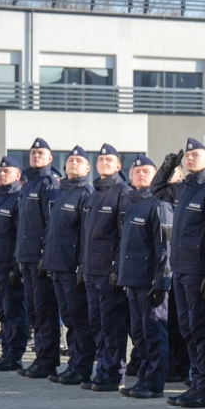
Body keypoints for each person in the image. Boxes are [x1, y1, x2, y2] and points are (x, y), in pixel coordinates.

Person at [155, 138, 205, 408]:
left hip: (199, 274)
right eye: (188, 156)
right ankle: (196, 383)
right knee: (187, 329)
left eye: (197, 155)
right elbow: (158, 190)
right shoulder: (184, 189)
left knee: (202, 329)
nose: (191, 158)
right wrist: (166, 167)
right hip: (181, 271)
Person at [117, 155, 172, 399]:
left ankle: (154, 383)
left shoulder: (158, 204)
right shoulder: (132, 203)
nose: (140, 174)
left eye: (146, 171)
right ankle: (143, 378)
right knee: (139, 334)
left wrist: (161, 282)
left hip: (151, 284)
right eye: (136, 171)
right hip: (133, 281)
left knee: (153, 333)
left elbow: (166, 248)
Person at [80, 143, 131, 391]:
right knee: (96, 323)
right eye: (101, 160)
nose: (104, 164)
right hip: (92, 270)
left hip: (108, 272)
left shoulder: (122, 192)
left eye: (109, 161)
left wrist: (116, 268)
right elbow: (86, 236)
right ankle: (102, 368)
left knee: (112, 325)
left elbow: (123, 236)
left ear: (119, 166)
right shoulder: (93, 194)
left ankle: (113, 373)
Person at [44, 146, 95, 386]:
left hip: (72, 269)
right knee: (68, 318)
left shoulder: (86, 192)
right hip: (57, 266)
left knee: (78, 320)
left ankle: (82, 367)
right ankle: (73, 364)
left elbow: (86, 236)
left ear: (87, 168)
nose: (73, 163)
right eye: (71, 160)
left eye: (79, 161)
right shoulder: (62, 191)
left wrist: (81, 268)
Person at [15, 137, 61, 379]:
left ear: (50, 158)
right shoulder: (28, 184)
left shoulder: (49, 184)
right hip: (26, 258)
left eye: (41, 153)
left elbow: (51, 224)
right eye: (33, 153)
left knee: (44, 311)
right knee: (34, 311)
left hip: (40, 261)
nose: (36, 156)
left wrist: (45, 255)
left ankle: (47, 361)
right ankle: (42, 357)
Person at [0, 157, 27, 372]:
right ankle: (6, 351)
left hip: (9, 268)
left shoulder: (19, 199)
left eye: (7, 171)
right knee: (3, 313)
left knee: (14, 312)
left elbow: (21, 236)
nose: (2, 174)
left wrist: (16, 268)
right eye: (0, 171)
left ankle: (14, 354)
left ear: (18, 175)